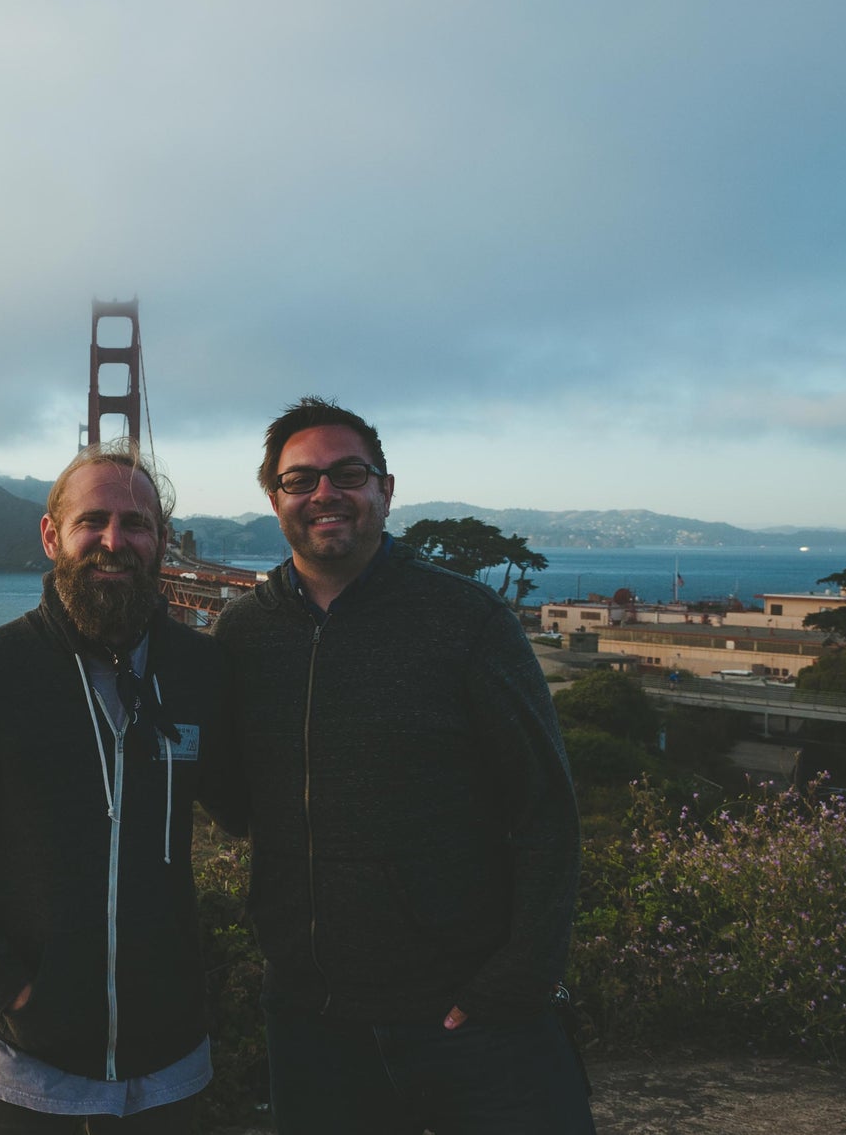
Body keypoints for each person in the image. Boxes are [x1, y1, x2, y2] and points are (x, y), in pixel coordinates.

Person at [209, 397, 592, 1134]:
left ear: (386, 489)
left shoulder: (467, 621)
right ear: (273, 499)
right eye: (301, 479)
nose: (325, 492)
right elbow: (232, 798)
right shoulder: (242, 634)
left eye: (348, 473)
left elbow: (547, 808)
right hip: (312, 1019)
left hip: (471, 1016)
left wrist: (518, 979)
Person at [0, 443, 230, 1134]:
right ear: (52, 536)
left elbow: (256, 808)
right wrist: (10, 983)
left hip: (169, 1063)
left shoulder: (202, 671)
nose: (115, 541)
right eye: (92, 521)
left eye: (136, 524)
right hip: (19, 1068)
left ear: (162, 540)